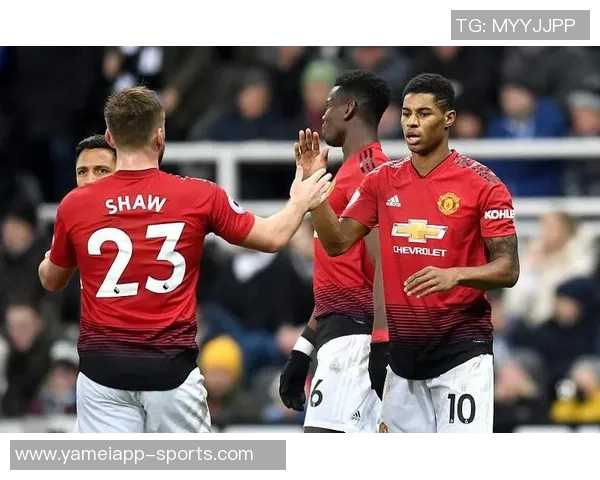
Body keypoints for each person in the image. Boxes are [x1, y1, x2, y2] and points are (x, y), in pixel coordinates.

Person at [37, 85, 332, 433]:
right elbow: (273, 237)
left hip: (102, 371)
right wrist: (300, 199)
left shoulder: (76, 205)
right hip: (170, 370)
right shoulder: (198, 195)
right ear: (160, 136)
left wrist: (61, 251)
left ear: (110, 138)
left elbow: (51, 279)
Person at [301, 73, 520, 433]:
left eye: (424, 113)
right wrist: (314, 188)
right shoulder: (381, 181)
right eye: (406, 114)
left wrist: (456, 275)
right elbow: (337, 242)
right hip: (402, 359)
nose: (412, 123)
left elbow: (508, 269)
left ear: (448, 119)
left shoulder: (484, 185)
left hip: (461, 352)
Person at [279, 70, 392, 433]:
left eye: (329, 106)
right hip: (338, 337)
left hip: (357, 341)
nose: (322, 115)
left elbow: (385, 267)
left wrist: (381, 343)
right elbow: (339, 278)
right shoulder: (346, 173)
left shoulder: (373, 174)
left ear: (349, 109)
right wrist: (303, 349)